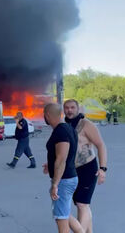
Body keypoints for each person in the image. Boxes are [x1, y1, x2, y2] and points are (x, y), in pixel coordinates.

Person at [64, 99, 108, 233]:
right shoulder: (64, 125)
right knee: (80, 203)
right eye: (67, 108)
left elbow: (101, 145)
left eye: (72, 107)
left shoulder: (86, 125)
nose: (69, 110)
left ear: (78, 109)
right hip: (72, 170)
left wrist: (103, 168)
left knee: (82, 204)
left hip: (88, 168)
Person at [43, 103, 82, 233]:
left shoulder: (61, 131)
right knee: (66, 214)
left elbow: (61, 159)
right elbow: (67, 154)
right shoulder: (68, 128)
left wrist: (55, 184)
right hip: (69, 178)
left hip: (64, 181)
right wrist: (50, 163)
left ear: (47, 115)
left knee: (61, 219)